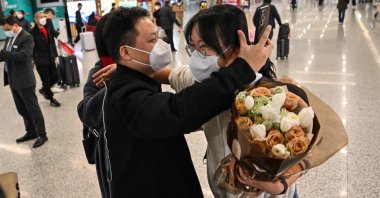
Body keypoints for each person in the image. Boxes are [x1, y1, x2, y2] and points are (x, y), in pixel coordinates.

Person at [77, 6, 273, 197]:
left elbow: (176, 81)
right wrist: (243, 68)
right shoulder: (126, 97)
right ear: (126, 53)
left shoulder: (264, 94)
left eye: (204, 46)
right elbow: (180, 109)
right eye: (152, 40)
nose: (162, 45)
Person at [0, 16, 48, 148]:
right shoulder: (10, 37)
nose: (6, 32)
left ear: (15, 25)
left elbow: (23, 55)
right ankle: (31, 131)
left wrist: (2, 54)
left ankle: (42, 134)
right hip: (13, 79)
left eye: (8, 29)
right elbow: (6, 54)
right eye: (4, 30)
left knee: (32, 109)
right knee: (22, 109)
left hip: (25, 80)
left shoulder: (26, 37)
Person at [29, 12, 61, 107]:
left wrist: (54, 55)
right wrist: (32, 60)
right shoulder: (32, 32)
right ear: (35, 19)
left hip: (50, 57)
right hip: (40, 60)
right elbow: (31, 48)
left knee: (55, 77)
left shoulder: (47, 28)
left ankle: (44, 90)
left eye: (44, 17)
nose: (43, 19)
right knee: (46, 80)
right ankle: (51, 98)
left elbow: (51, 43)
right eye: (41, 17)